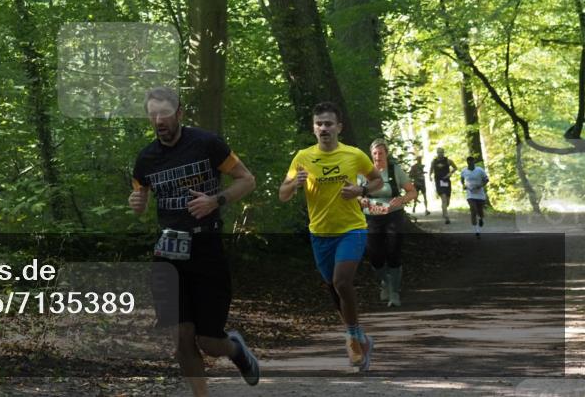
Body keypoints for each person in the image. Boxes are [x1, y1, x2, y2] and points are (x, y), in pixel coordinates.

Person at [129, 87, 259, 395]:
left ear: (179, 113)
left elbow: (247, 180)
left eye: (164, 113)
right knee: (181, 336)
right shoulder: (146, 159)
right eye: (152, 115)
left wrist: (216, 200)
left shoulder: (206, 143)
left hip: (205, 248)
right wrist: (136, 202)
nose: (158, 120)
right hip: (168, 254)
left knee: (209, 341)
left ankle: (236, 350)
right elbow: (139, 198)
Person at [278, 102, 383, 371]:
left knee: (342, 281)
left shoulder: (353, 154)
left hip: (352, 229)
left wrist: (361, 191)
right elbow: (283, 194)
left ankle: (353, 337)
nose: (324, 128)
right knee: (333, 288)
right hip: (320, 233)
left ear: (339, 127)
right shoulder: (303, 157)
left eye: (328, 123)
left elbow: (377, 181)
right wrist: (294, 184)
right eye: (319, 124)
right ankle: (360, 339)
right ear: (314, 129)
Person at [360, 140, 417, 307]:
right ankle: (385, 282)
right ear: (371, 155)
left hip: (393, 215)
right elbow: (356, 193)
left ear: (386, 154)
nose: (378, 156)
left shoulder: (395, 170)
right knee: (374, 255)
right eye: (375, 153)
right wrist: (361, 199)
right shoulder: (363, 172)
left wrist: (402, 199)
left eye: (381, 153)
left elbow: (412, 191)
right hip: (372, 216)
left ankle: (394, 292)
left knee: (394, 252)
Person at [460, 156, 489, 238]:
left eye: (472, 163)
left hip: (480, 194)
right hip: (470, 194)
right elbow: (461, 179)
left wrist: (481, 185)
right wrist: (463, 185)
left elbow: (486, 179)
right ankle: (477, 231)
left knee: (480, 211)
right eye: (469, 163)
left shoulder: (480, 170)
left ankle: (481, 219)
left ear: (474, 162)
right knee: (473, 210)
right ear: (467, 162)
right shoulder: (464, 171)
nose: (471, 164)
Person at [429, 148, 458, 224]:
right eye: (439, 152)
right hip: (438, 182)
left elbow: (455, 168)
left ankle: (444, 210)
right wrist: (430, 176)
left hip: (446, 181)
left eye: (442, 152)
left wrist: (450, 173)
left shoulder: (448, 161)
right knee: (444, 199)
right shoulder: (434, 162)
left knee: (447, 201)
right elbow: (431, 170)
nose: (440, 154)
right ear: (437, 153)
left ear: (444, 153)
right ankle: (446, 217)